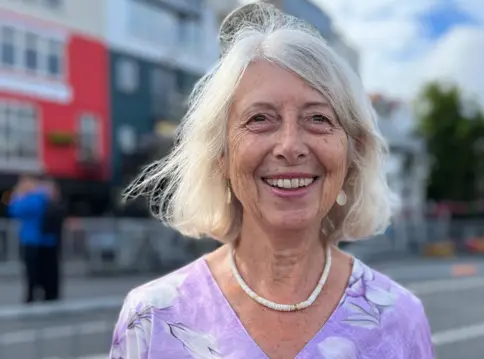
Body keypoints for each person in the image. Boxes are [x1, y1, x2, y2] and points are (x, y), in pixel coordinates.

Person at [109, 3, 434, 358]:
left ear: (352, 152)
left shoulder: (399, 319)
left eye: (318, 118)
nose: (290, 146)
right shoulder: (152, 318)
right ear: (221, 154)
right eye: (260, 118)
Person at [8, 175, 59, 303]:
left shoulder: (34, 198)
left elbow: (14, 210)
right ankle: (50, 295)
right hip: (48, 240)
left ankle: (33, 296)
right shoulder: (46, 196)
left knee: (33, 271)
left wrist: (18, 195)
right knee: (48, 271)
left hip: (32, 240)